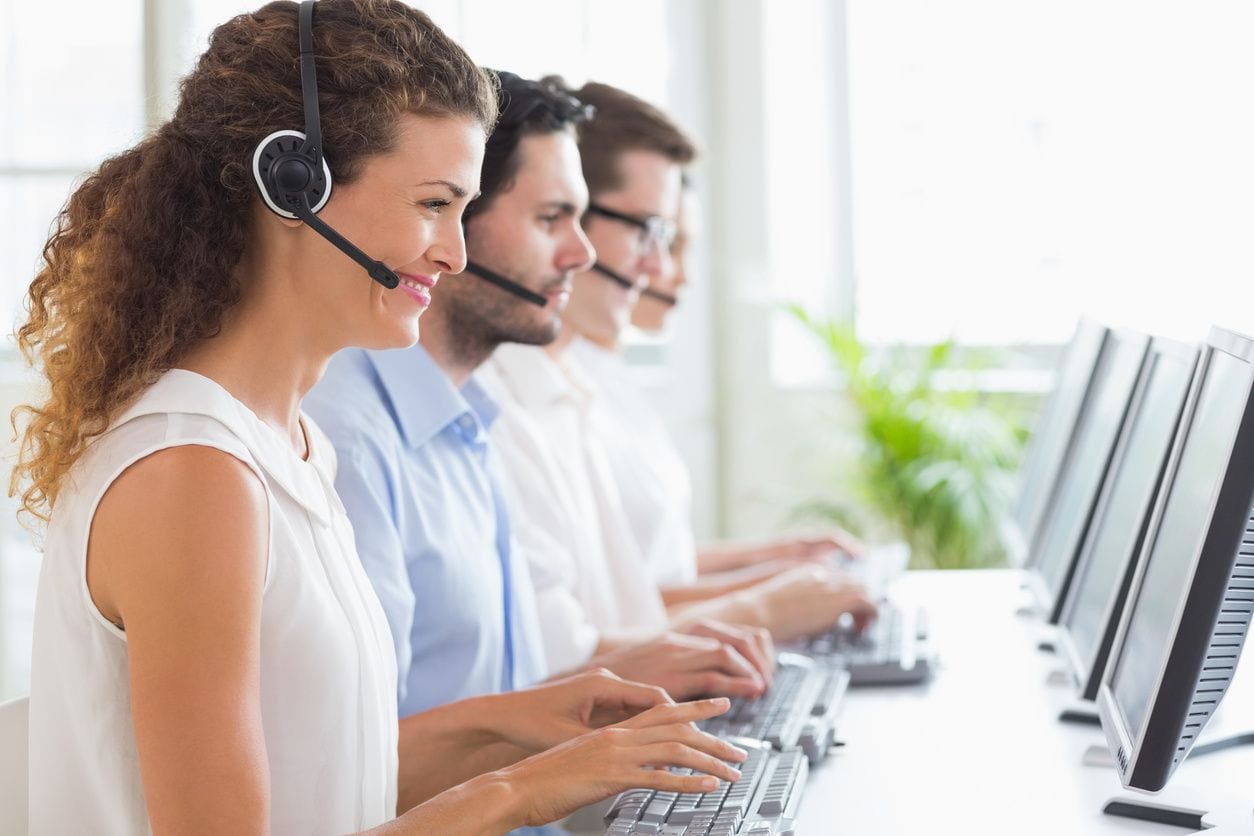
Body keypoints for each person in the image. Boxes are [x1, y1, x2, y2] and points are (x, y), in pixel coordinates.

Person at [15, 5, 741, 833]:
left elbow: (329, 778)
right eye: (433, 203)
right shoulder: (192, 474)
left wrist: (515, 724)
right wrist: (517, 789)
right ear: (293, 186)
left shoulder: (289, 447)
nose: (453, 252)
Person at [307, 70, 774, 713]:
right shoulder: (348, 439)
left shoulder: (468, 420)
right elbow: (361, 767)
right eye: (553, 218)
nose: (581, 255)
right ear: (454, 222)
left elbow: (513, 689)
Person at [487, 80, 877, 648]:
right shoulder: (501, 405)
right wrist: (763, 603)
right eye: (649, 231)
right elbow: (569, 650)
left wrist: (779, 569)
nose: (661, 267)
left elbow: (633, 592)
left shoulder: (576, 385)